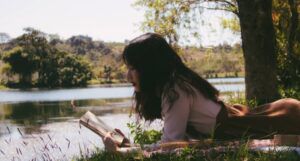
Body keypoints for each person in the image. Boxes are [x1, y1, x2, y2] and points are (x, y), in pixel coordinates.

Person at [103, 33, 300, 152]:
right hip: (262, 118)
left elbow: (171, 145)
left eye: (132, 68)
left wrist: (132, 150)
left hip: (281, 120)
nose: (127, 75)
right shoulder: (172, 86)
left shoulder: (176, 89)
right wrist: (129, 145)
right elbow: (177, 141)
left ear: (150, 67)